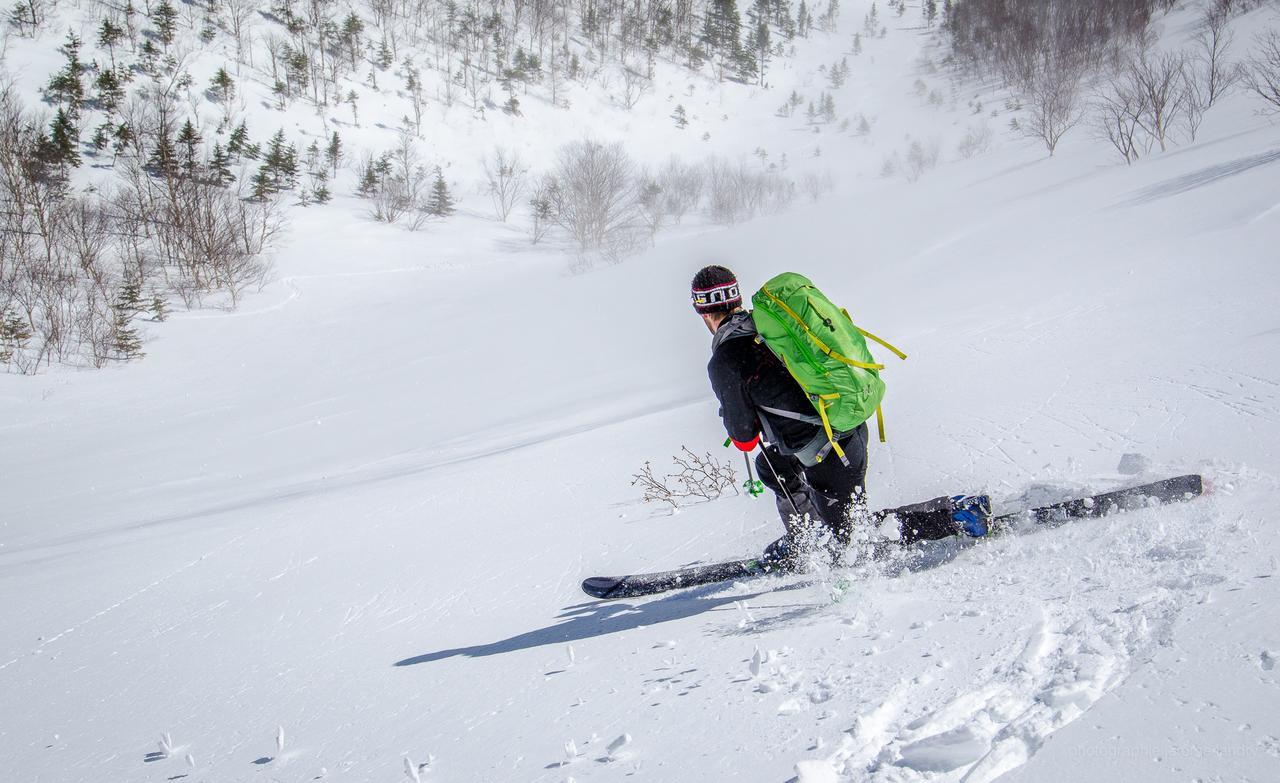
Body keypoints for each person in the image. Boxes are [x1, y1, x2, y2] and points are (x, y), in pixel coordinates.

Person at [692, 265, 979, 570]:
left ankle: (956, 514)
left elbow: (745, 439)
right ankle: (807, 540)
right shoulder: (770, 326)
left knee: (854, 540)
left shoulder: (725, 359)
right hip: (845, 425)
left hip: (830, 452)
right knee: (772, 466)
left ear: (703, 313)